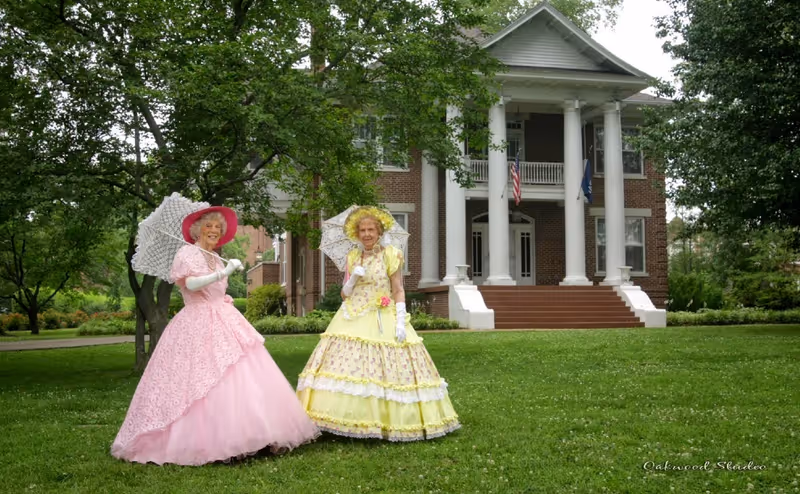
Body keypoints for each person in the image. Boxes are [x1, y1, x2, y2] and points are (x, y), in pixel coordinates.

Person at [111, 206, 319, 465]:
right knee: (202, 377)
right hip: (196, 322)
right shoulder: (187, 253)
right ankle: (205, 442)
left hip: (225, 319)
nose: (213, 231)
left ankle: (253, 436)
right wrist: (224, 272)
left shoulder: (214, 257)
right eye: (208, 227)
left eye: (218, 228)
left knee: (240, 375)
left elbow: (217, 291)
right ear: (196, 230)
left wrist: (224, 273)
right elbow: (191, 284)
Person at [296, 206, 460, 441]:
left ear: (379, 231)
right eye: (362, 230)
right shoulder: (353, 257)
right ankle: (342, 419)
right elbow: (345, 294)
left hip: (383, 315)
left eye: (371, 229)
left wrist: (401, 321)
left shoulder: (391, 254)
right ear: (356, 233)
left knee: (385, 367)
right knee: (347, 367)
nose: (366, 234)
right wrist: (353, 277)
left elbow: (398, 289)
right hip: (352, 315)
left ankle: (387, 420)